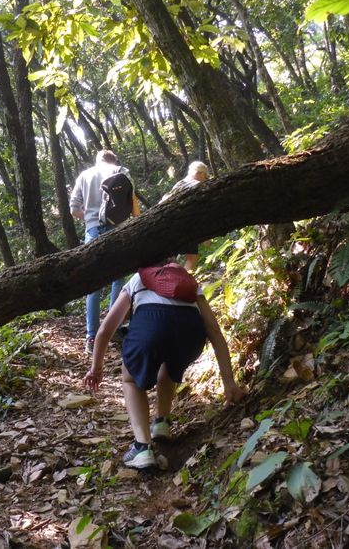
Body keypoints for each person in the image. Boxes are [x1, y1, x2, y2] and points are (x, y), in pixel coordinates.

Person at [82, 261, 245, 469]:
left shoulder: (138, 279)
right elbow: (213, 329)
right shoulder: (189, 282)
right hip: (190, 335)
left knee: (130, 379)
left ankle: (142, 447)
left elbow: (105, 329)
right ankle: (161, 423)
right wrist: (229, 383)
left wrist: (96, 368)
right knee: (170, 363)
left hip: (152, 325)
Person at [70, 150, 140, 353]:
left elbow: (74, 210)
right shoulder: (121, 171)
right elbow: (134, 207)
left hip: (93, 231)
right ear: (114, 160)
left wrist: (92, 219)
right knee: (118, 280)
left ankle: (91, 338)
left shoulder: (84, 175)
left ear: (97, 160)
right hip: (119, 229)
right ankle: (113, 328)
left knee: (94, 286)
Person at [160, 161, 210, 271]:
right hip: (183, 224)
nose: (205, 179)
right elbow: (199, 212)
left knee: (170, 258)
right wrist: (206, 235)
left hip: (165, 223)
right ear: (200, 173)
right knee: (192, 257)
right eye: (205, 176)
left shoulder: (180, 183)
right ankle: (183, 284)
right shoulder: (197, 186)